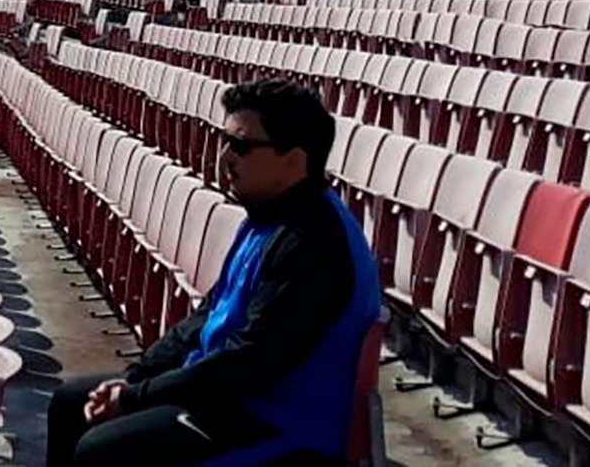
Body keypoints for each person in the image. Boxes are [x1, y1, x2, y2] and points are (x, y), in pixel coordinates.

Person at [46, 80, 381, 467]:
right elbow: (206, 317)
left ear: (294, 160)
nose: (225, 156)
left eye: (241, 146)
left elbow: (250, 362)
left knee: (102, 451)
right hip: (232, 397)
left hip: (277, 423)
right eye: (225, 141)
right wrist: (137, 377)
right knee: (71, 403)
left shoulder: (313, 244)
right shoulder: (265, 218)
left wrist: (136, 398)